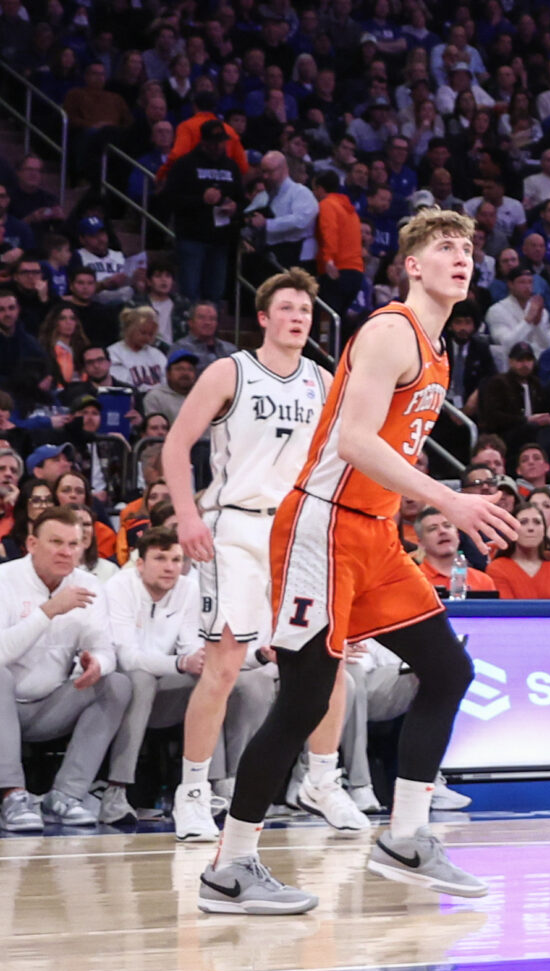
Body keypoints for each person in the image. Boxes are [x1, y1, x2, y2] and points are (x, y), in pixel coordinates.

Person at [203, 209, 518, 914]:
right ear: (412, 264)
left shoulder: (437, 350)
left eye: (467, 248)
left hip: (374, 534)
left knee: (448, 669)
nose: (460, 257)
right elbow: (353, 441)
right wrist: (450, 500)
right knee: (306, 698)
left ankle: (407, 837)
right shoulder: (389, 331)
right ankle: (231, 866)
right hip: (323, 526)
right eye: (444, 247)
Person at [161, 270, 363, 841]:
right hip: (237, 531)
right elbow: (176, 445)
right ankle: (194, 794)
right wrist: (187, 514)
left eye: (306, 309)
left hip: (300, 532)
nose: (300, 316)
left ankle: (323, 779)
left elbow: (344, 461)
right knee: (224, 665)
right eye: (289, 307)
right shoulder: (231, 371)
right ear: (265, 317)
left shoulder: (324, 382)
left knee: (330, 661)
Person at [0, 507, 130, 828]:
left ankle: (66, 796)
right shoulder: (5, 579)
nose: (66, 551)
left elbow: (105, 648)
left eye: (74, 544)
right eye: (56, 542)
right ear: (32, 543)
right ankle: (12, 795)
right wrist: (48, 611)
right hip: (5, 706)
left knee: (118, 684)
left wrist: (96, 664)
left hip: (49, 705)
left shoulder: (88, 585)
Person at [100, 524, 205, 823]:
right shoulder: (119, 586)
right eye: (160, 559)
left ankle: (207, 788)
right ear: (140, 562)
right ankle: (115, 792)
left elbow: (191, 645)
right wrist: (179, 663)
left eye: (176, 560)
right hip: (118, 687)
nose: (171, 567)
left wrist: (195, 661)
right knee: (141, 680)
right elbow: (128, 658)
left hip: (164, 685)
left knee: (209, 682)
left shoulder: (189, 588)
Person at [489, 495, 550, 599]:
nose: (531, 528)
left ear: (544, 529)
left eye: (537, 522)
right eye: (523, 522)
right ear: (511, 530)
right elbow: (508, 612)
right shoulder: (497, 568)